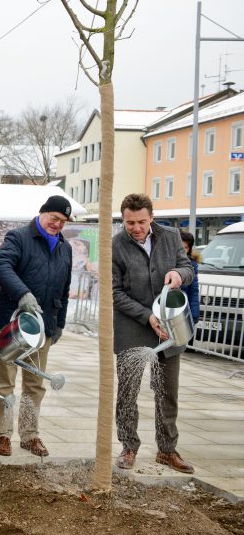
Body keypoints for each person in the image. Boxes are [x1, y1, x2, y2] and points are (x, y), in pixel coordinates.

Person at [112, 194, 194, 473]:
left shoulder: (170, 236)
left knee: (167, 392)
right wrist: (146, 315)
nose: (135, 228)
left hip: (169, 327)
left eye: (141, 222)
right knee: (127, 392)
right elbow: (115, 293)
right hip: (132, 327)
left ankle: (167, 450)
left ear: (152, 218)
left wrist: (179, 275)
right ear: (123, 219)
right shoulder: (116, 244)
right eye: (129, 222)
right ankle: (128, 446)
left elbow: (187, 267)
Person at [0, 194, 73, 458]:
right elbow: (0, 265)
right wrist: (23, 293)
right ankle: (3, 434)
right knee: (6, 381)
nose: (57, 224)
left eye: (63, 221)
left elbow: (65, 288)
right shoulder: (18, 237)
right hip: (11, 321)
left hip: (43, 326)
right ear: (42, 213)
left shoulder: (64, 248)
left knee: (35, 384)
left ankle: (29, 435)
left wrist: (58, 323)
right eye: (54, 218)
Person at [179, 230, 201, 327]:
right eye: (180, 247)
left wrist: (194, 315)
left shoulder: (191, 265)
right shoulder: (164, 261)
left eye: (186, 247)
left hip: (184, 312)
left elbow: (193, 291)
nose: (183, 250)